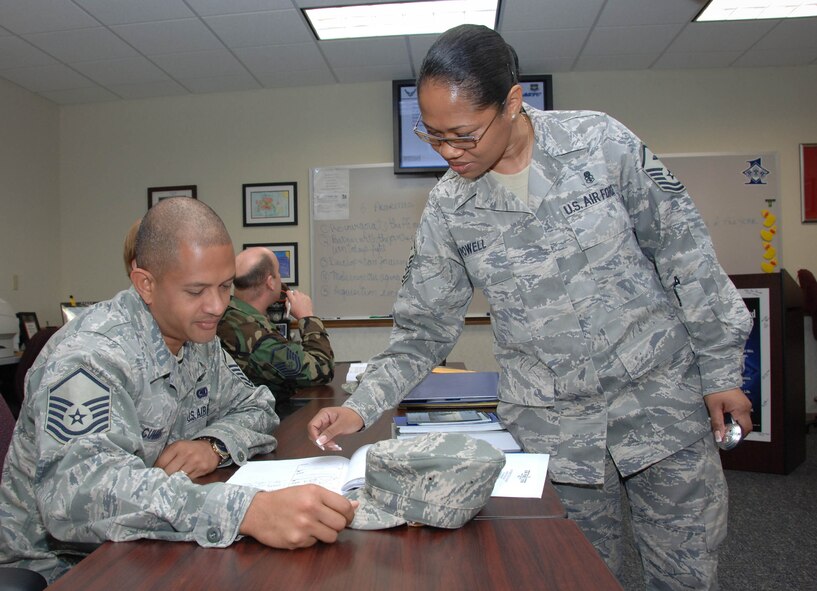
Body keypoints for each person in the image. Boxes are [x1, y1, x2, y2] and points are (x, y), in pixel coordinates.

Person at [308, 24, 753, 591]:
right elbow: (422, 332)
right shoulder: (450, 206)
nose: (448, 152)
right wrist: (360, 408)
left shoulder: (600, 143)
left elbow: (684, 251)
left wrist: (721, 372)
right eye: (433, 135)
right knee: (579, 577)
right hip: (559, 437)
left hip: (662, 408)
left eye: (463, 135)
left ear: (513, 102)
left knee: (686, 576)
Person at [0, 198, 356, 584]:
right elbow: (77, 498)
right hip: (68, 567)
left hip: (152, 543)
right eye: (196, 290)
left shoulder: (198, 338)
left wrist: (213, 445)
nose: (217, 306)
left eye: (224, 287)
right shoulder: (91, 356)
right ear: (146, 284)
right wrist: (246, 511)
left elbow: (257, 407)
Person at [217, 247, 335, 403]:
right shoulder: (256, 338)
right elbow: (322, 368)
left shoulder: (231, 314)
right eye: (278, 273)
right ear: (271, 282)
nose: (281, 279)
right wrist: (306, 316)